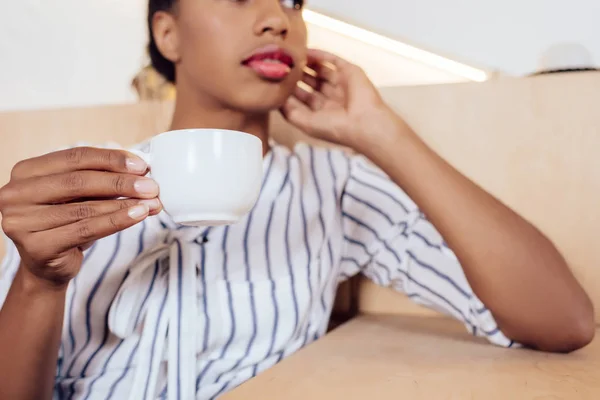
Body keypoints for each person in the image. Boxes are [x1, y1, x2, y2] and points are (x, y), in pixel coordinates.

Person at [0, 0, 594, 399]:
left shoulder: (331, 185)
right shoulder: (83, 180)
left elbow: (563, 321)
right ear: (167, 32)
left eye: (291, 0)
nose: (276, 20)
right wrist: (38, 280)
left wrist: (383, 133)